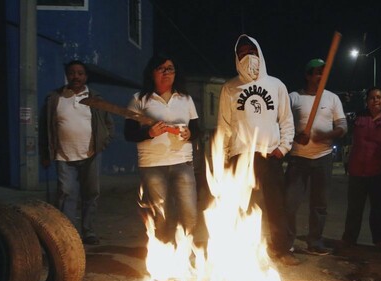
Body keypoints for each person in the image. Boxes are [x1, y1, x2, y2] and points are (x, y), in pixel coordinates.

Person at [216, 34, 299, 265]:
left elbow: (286, 120)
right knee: (241, 205)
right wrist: (222, 156)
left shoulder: (276, 85)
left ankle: (281, 250)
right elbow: (224, 125)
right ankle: (242, 252)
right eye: (242, 53)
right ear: (236, 58)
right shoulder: (230, 88)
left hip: (269, 154)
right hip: (240, 155)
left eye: (251, 51)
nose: (247, 56)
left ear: (259, 53)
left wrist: (283, 148)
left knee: (276, 206)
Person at [124, 54, 201, 245]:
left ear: (176, 74)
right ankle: (164, 255)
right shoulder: (139, 99)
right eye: (161, 69)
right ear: (152, 73)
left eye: (170, 69)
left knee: (189, 213)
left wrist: (188, 134)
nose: (166, 73)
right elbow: (129, 133)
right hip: (152, 165)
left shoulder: (185, 99)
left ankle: (186, 252)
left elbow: (196, 130)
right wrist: (149, 133)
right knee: (161, 214)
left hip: (182, 162)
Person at [39, 60, 114, 245]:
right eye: (72, 73)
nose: (76, 76)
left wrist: (103, 143)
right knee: (66, 193)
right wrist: (45, 153)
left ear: (85, 77)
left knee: (91, 193)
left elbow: (108, 125)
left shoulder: (95, 98)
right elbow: (44, 128)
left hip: (91, 154)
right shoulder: (55, 98)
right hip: (63, 155)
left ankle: (88, 231)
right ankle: (69, 233)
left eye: (80, 73)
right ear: (67, 75)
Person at [285, 58, 347, 255]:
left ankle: (315, 242)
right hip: (297, 158)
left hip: (323, 157)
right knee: (290, 202)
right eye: (317, 72)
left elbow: (343, 127)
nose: (321, 76)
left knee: (320, 204)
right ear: (308, 75)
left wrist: (326, 135)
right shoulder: (293, 97)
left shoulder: (332, 99)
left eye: (324, 72)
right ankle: (286, 243)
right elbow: (282, 125)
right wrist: (296, 136)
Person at [341, 87, 381, 249]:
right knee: (354, 209)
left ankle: (380, 241)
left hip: (379, 172)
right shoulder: (357, 117)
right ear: (366, 101)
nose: (375, 100)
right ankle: (349, 240)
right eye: (372, 98)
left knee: (378, 209)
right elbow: (341, 121)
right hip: (357, 172)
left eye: (379, 97)